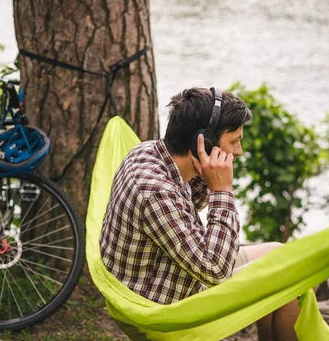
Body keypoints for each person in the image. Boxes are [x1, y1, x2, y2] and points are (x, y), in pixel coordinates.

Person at [100, 87, 300, 341]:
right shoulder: (156, 192)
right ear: (204, 142)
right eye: (235, 141)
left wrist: (208, 176)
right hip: (166, 312)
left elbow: (187, 207)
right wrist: (222, 190)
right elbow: (215, 271)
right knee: (294, 277)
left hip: (166, 275)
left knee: (284, 255)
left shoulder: (148, 152)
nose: (239, 151)